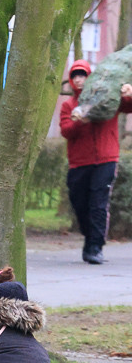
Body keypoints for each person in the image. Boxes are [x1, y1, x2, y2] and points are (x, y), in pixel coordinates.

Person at [58, 60, 132, 265]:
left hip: (107, 160)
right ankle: (90, 235)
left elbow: (129, 105)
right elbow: (66, 130)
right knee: (80, 203)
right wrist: (81, 121)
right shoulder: (68, 105)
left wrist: (129, 91)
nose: (80, 79)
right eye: (75, 76)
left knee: (98, 204)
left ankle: (94, 248)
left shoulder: (108, 98)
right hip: (79, 163)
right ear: (71, 80)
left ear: (90, 78)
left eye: (83, 75)